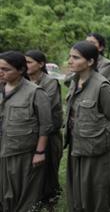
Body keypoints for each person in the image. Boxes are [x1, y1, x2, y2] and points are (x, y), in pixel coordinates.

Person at [65, 41, 110, 212]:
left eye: (75, 58)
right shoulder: (74, 81)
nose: (70, 61)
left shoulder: (102, 86)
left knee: (96, 193)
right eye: (70, 56)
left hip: (98, 150)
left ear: (90, 62)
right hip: (77, 146)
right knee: (77, 192)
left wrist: (106, 137)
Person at [0, 51, 53, 211]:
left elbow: (46, 125)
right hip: (3, 151)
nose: (1, 72)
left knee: (24, 197)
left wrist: (40, 152)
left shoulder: (35, 92)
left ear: (21, 70)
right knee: (4, 195)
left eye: (6, 69)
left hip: (24, 153)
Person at [25, 50, 63, 208]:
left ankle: (51, 200)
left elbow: (46, 110)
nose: (26, 65)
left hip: (49, 134)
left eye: (29, 62)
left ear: (41, 64)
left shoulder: (50, 83)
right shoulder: (24, 81)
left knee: (49, 170)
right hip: (30, 135)